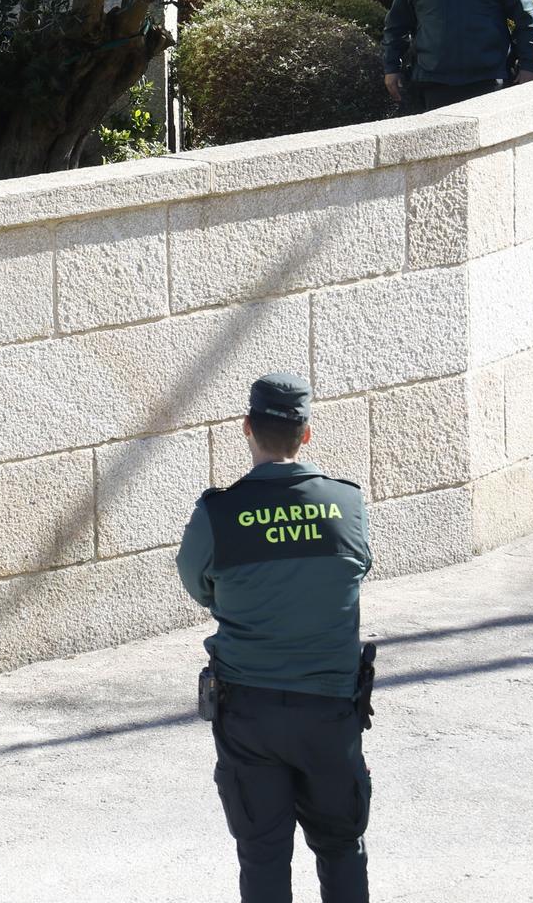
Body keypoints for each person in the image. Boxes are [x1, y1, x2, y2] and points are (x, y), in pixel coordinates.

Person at [176, 372, 375, 903]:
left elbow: (199, 586)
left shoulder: (217, 513)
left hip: (250, 712)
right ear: (306, 434)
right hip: (330, 712)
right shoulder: (346, 505)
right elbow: (356, 570)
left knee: (262, 855)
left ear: (247, 428)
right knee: (341, 844)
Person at [382, 0, 533, 113]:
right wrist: (392, 66)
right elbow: (398, 21)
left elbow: (526, 17)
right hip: (434, 80)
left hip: (488, 79)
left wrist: (530, 65)